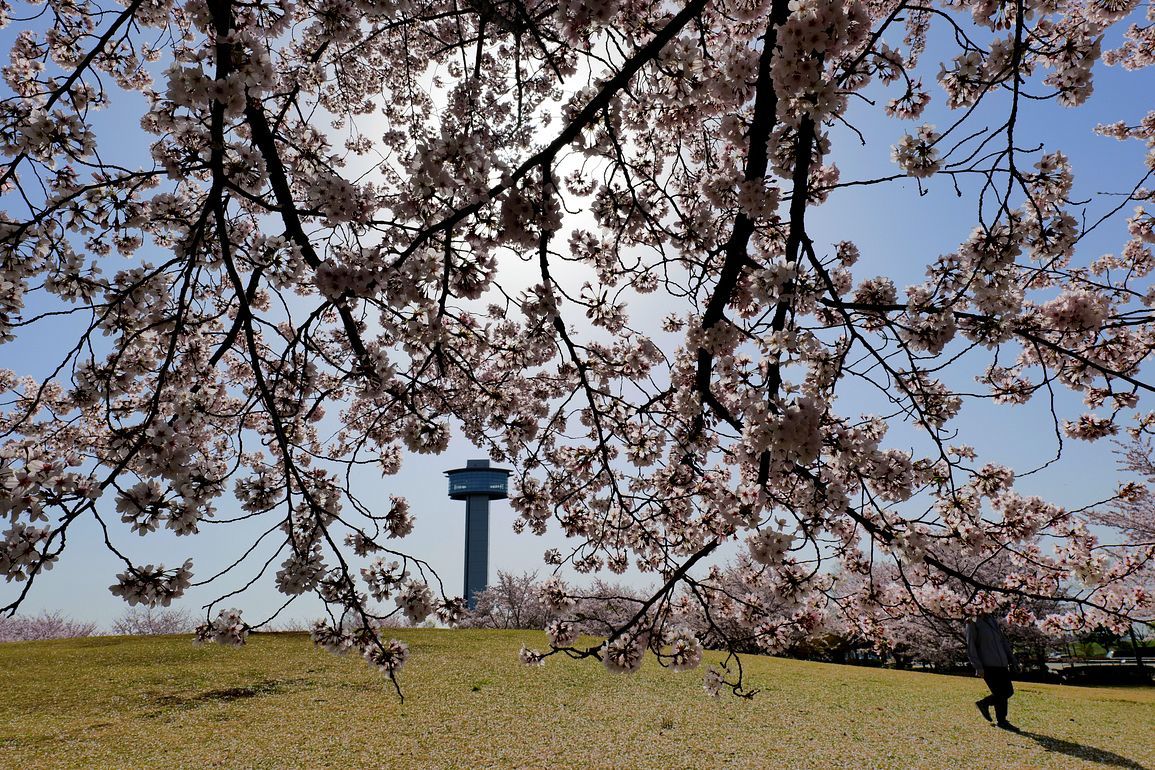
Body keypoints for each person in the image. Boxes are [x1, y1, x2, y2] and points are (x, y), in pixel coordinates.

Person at [966, 613, 1020, 731]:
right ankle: (1001, 720)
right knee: (1001, 693)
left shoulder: (991, 619)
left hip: (1001, 663)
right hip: (987, 664)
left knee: (1007, 692)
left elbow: (1002, 641)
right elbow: (971, 646)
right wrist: (978, 666)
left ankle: (986, 706)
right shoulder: (972, 621)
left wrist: (1012, 659)